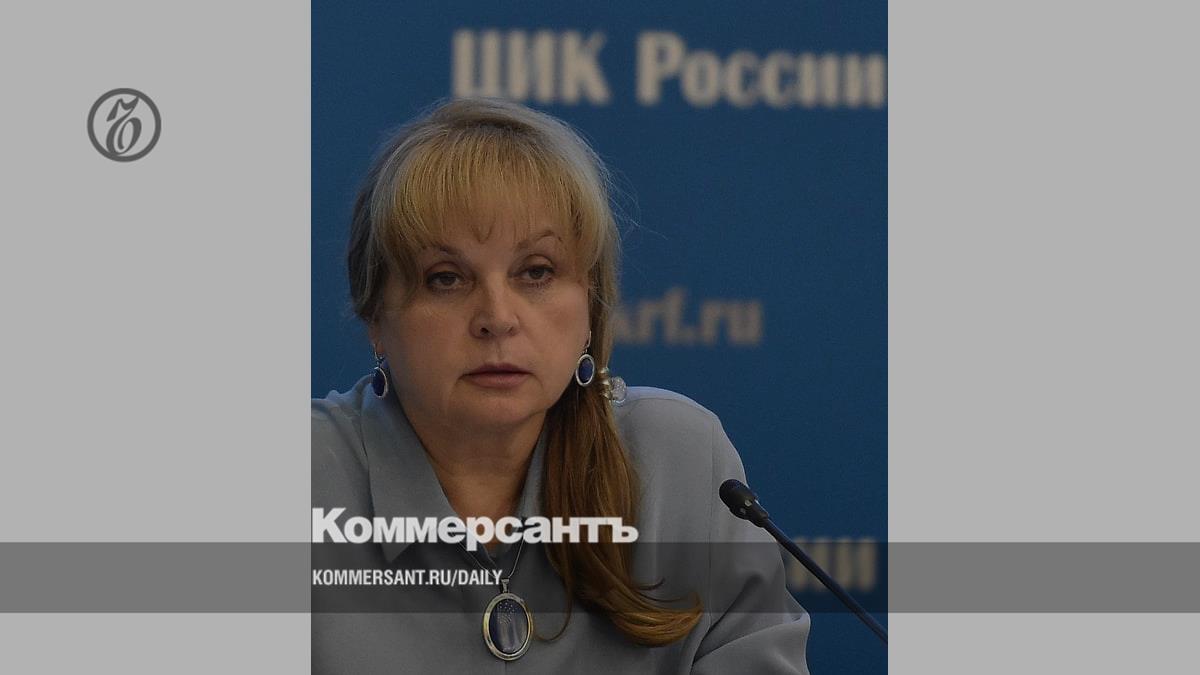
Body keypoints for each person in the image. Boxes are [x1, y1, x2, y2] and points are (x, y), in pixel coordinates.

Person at [312, 97, 811, 673]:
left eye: (536, 272)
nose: (497, 317)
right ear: (376, 315)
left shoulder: (679, 463)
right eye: (446, 279)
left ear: (591, 307)